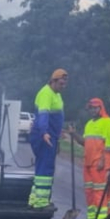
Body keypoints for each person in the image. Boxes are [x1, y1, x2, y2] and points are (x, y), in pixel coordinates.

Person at [66, 97, 110, 219]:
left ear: (100, 108)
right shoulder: (89, 124)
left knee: (99, 192)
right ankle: (92, 217)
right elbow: (84, 143)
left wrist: (103, 160)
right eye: (90, 108)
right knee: (89, 191)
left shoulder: (108, 123)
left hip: (98, 164)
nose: (92, 110)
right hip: (88, 163)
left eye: (94, 108)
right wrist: (73, 134)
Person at [28, 68, 67, 210]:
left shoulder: (56, 95)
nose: (63, 87)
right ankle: (41, 202)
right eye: (60, 84)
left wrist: (59, 131)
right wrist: (44, 133)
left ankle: (34, 199)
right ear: (53, 81)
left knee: (41, 168)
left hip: (51, 134)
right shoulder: (46, 93)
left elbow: (55, 116)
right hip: (44, 136)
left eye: (64, 84)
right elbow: (43, 115)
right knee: (46, 168)